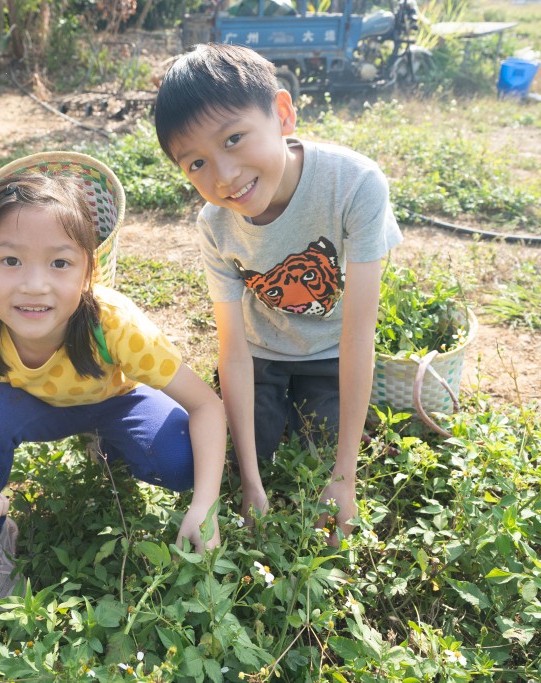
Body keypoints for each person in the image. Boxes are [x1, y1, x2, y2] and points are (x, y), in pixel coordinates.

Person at [0, 155, 226, 612]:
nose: (35, 285)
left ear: (88, 272)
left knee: (181, 462)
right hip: (33, 409)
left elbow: (206, 405)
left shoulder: (115, 324)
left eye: (60, 263)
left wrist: (205, 505)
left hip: (114, 402)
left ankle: (108, 445)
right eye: (10, 260)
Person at [153, 43, 402, 544]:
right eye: (196, 163)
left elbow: (359, 337)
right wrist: (250, 481)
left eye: (234, 139)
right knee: (249, 450)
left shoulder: (355, 184)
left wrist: (345, 477)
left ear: (283, 113)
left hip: (331, 353)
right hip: (261, 354)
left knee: (322, 452)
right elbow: (233, 351)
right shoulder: (215, 224)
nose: (224, 177)